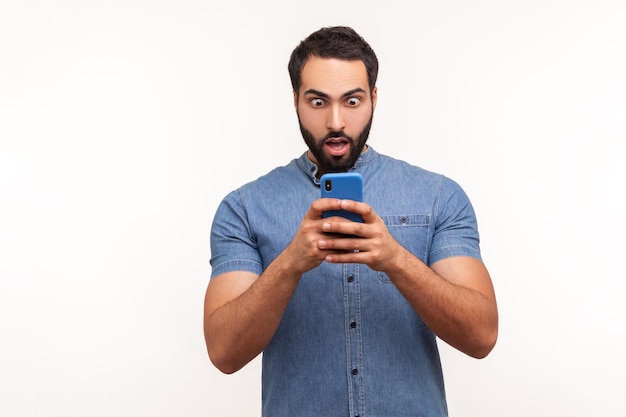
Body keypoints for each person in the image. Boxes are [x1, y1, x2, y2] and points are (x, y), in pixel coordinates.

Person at [204, 26, 498, 417]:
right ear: (295, 100)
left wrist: (395, 258)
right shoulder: (244, 208)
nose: (336, 122)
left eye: (353, 100)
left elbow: (481, 336)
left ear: (374, 99)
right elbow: (224, 352)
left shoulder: (439, 197)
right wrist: (290, 263)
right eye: (318, 101)